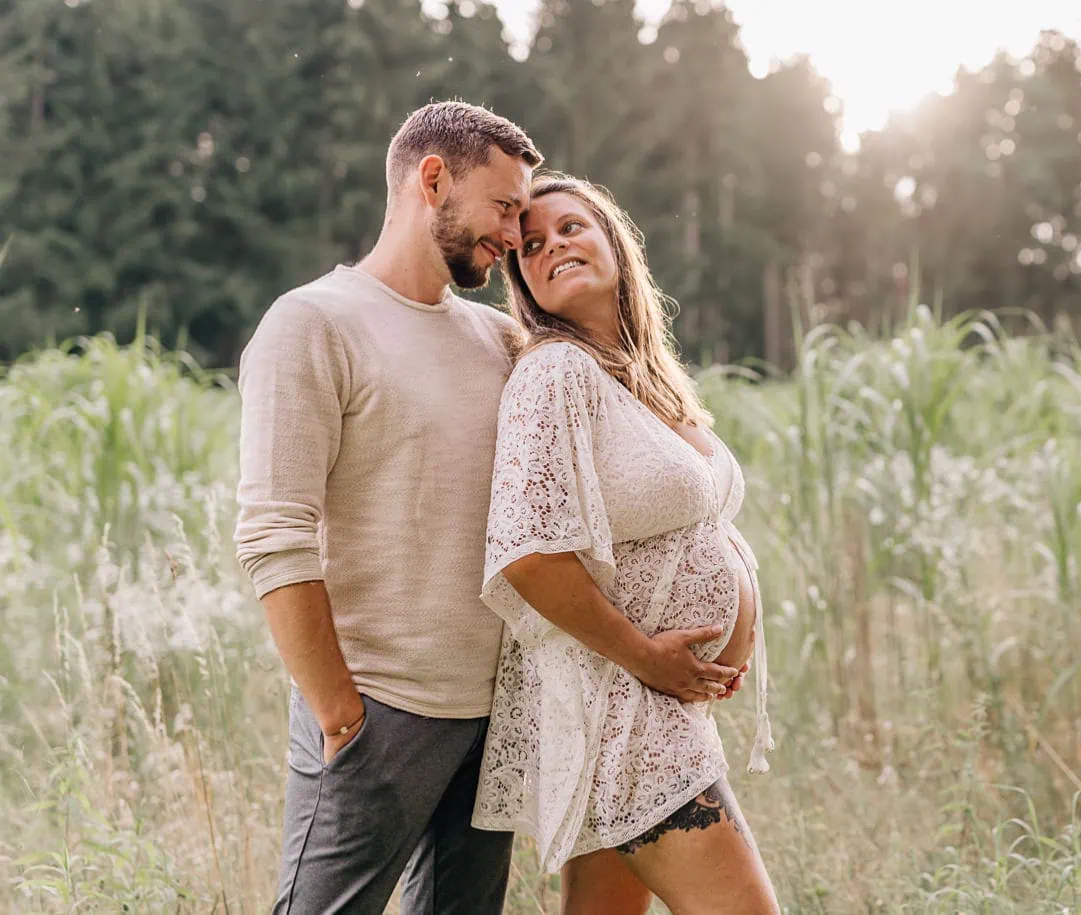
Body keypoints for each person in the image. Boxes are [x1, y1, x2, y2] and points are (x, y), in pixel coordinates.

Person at [233, 102, 742, 914]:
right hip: (382, 710)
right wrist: (339, 712)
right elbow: (273, 536)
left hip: (495, 718)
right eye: (506, 209)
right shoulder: (312, 324)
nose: (513, 236)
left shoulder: (498, 340)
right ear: (432, 180)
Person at [473, 172, 779, 915]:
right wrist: (651, 659)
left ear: (613, 239)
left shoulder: (648, 377)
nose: (554, 247)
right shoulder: (552, 374)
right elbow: (526, 552)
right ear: (526, 285)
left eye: (572, 227)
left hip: (657, 707)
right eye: (533, 247)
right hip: (624, 711)